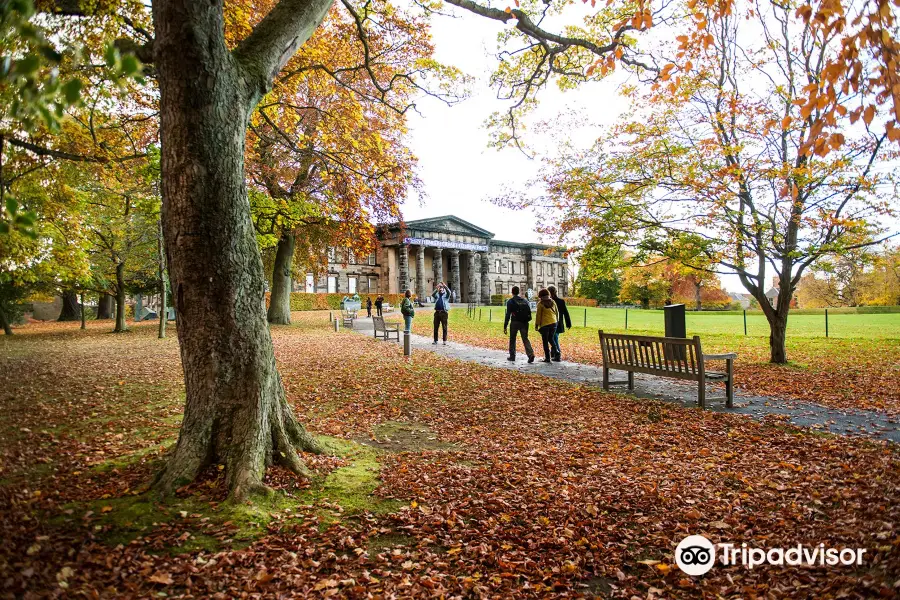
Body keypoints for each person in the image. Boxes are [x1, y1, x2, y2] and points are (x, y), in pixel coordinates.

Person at [503, 286, 535, 363]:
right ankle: (530, 354)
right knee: (525, 339)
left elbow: (508, 314)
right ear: (518, 292)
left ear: (512, 292)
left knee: (512, 339)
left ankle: (512, 356)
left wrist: (505, 326)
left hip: (515, 322)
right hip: (524, 322)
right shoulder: (525, 301)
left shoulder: (510, 301)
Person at [547, 285, 571, 362]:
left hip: (552, 323)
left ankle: (558, 354)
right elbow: (566, 313)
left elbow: (565, 313)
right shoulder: (560, 301)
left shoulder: (549, 302)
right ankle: (554, 354)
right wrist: (568, 323)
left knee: (554, 338)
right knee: (553, 338)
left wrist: (568, 323)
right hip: (558, 323)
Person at [535, 288, 558, 363]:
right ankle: (556, 351)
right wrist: (556, 321)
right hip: (554, 323)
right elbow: (557, 312)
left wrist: (536, 325)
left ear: (540, 296)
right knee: (551, 338)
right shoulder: (553, 302)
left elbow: (538, 316)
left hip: (545, 324)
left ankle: (547, 358)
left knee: (545, 341)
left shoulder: (540, 304)